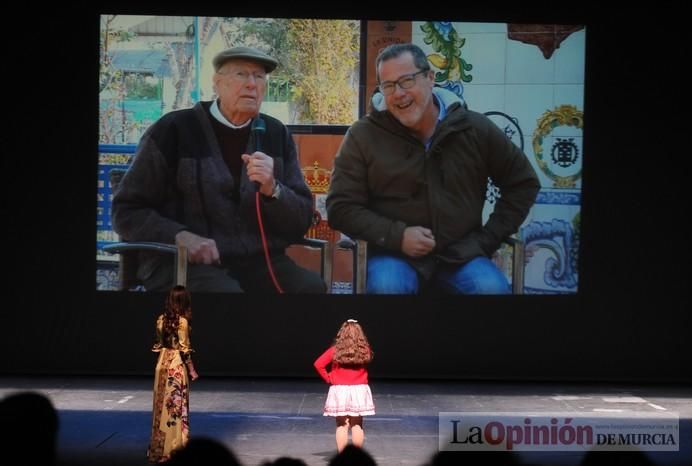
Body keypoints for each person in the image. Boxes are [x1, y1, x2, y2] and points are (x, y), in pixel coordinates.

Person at [326, 43, 541, 294]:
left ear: (430, 78)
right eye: (388, 85)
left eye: (407, 81)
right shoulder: (364, 135)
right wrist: (397, 236)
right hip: (392, 255)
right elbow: (340, 207)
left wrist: (486, 240)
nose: (398, 93)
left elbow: (523, 183)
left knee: (490, 288)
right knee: (387, 286)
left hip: (462, 255)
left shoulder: (473, 128)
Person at [112, 46, 326, 293]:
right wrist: (180, 237)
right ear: (217, 83)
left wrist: (274, 190)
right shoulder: (173, 130)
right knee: (225, 298)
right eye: (241, 75)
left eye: (259, 77)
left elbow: (301, 220)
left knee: (310, 288)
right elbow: (125, 211)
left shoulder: (276, 134)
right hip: (180, 261)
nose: (252, 84)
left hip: (258, 261)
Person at [148, 285, 199, 463]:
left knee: (161, 408)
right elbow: (184, 350)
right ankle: (175, 450)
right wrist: (192, 370)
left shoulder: (161, 320)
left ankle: (160, 449)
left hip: (161, 365)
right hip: (176, 367)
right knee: (175, 410)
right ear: (184, 301)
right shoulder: (183, 322)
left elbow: (158, 344)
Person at [313, 319, 375, 452]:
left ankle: (343, 458)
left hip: (340, 390)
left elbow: (318, 364)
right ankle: (357, 457)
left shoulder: (335, 350)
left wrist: (329, 378)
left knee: (342, 425)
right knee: (357, 424)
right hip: (359, 390)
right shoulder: (365, 350)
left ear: (342, 333)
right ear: (360, 334)